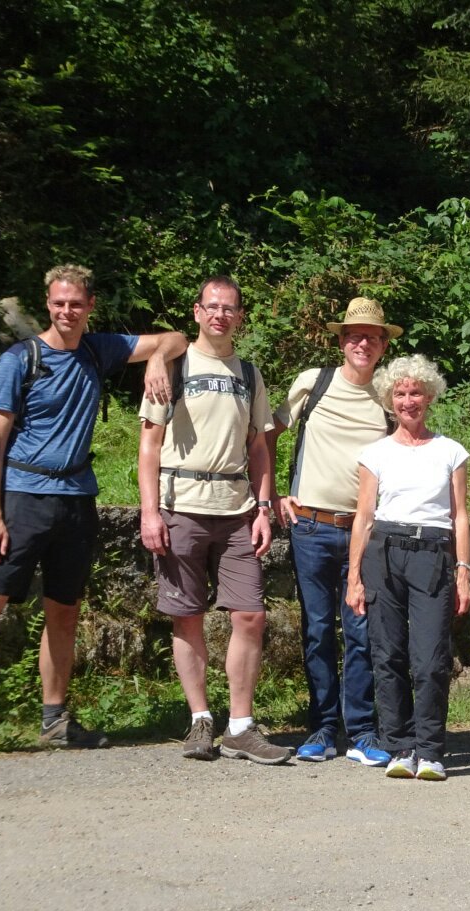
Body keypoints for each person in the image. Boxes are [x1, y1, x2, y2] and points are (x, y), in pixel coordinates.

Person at [0, 264, 186, 769]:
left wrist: (158, 362)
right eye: (58, 303)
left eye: (76, 303)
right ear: (47, 304)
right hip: (22, 499)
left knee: (64, 610)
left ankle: (55, 720)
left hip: (76, 500)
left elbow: (177, 338)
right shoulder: (19, 360)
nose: (66, 312)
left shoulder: (99, 349)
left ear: (90, 306)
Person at [137, 276, 291, 766]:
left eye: (230, 308)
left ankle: (240, 726)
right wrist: (149, 512)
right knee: (188, 616)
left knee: (250, 614)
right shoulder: (173, 366)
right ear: (198, 312)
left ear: (240, 317)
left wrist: (263, 507)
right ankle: (200, 718)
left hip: (236, 508)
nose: (221, 315)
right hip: (180, 505)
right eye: (213, 306)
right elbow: (149, 445)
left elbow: (259, 447)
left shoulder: (248, 373)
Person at [270, 298, 399, 766]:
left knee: (362, 632)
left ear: (383, 345)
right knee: (318, 629)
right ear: (341, 341)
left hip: (366, 533)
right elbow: (267, 433)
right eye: (354, 335)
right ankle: (323, 727)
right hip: (311, 527)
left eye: (373, 337)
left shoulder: (388, 396)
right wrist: (273, 494)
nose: (363, 343)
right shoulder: (314, 382)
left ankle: (361, 731)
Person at [346, 356, 470, 780]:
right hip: (383, 553)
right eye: (399, 393)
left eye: (415, 392)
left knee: (431, 659)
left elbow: (460, 516)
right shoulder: (375, 453)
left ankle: (431, 750)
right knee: (387, 655)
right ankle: (399, 746)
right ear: (389, 399)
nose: (408, 400)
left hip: (432, 554)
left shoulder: (450, 451)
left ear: (429, 396)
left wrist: (463, 571)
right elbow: (364, 517)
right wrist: (354, 577)